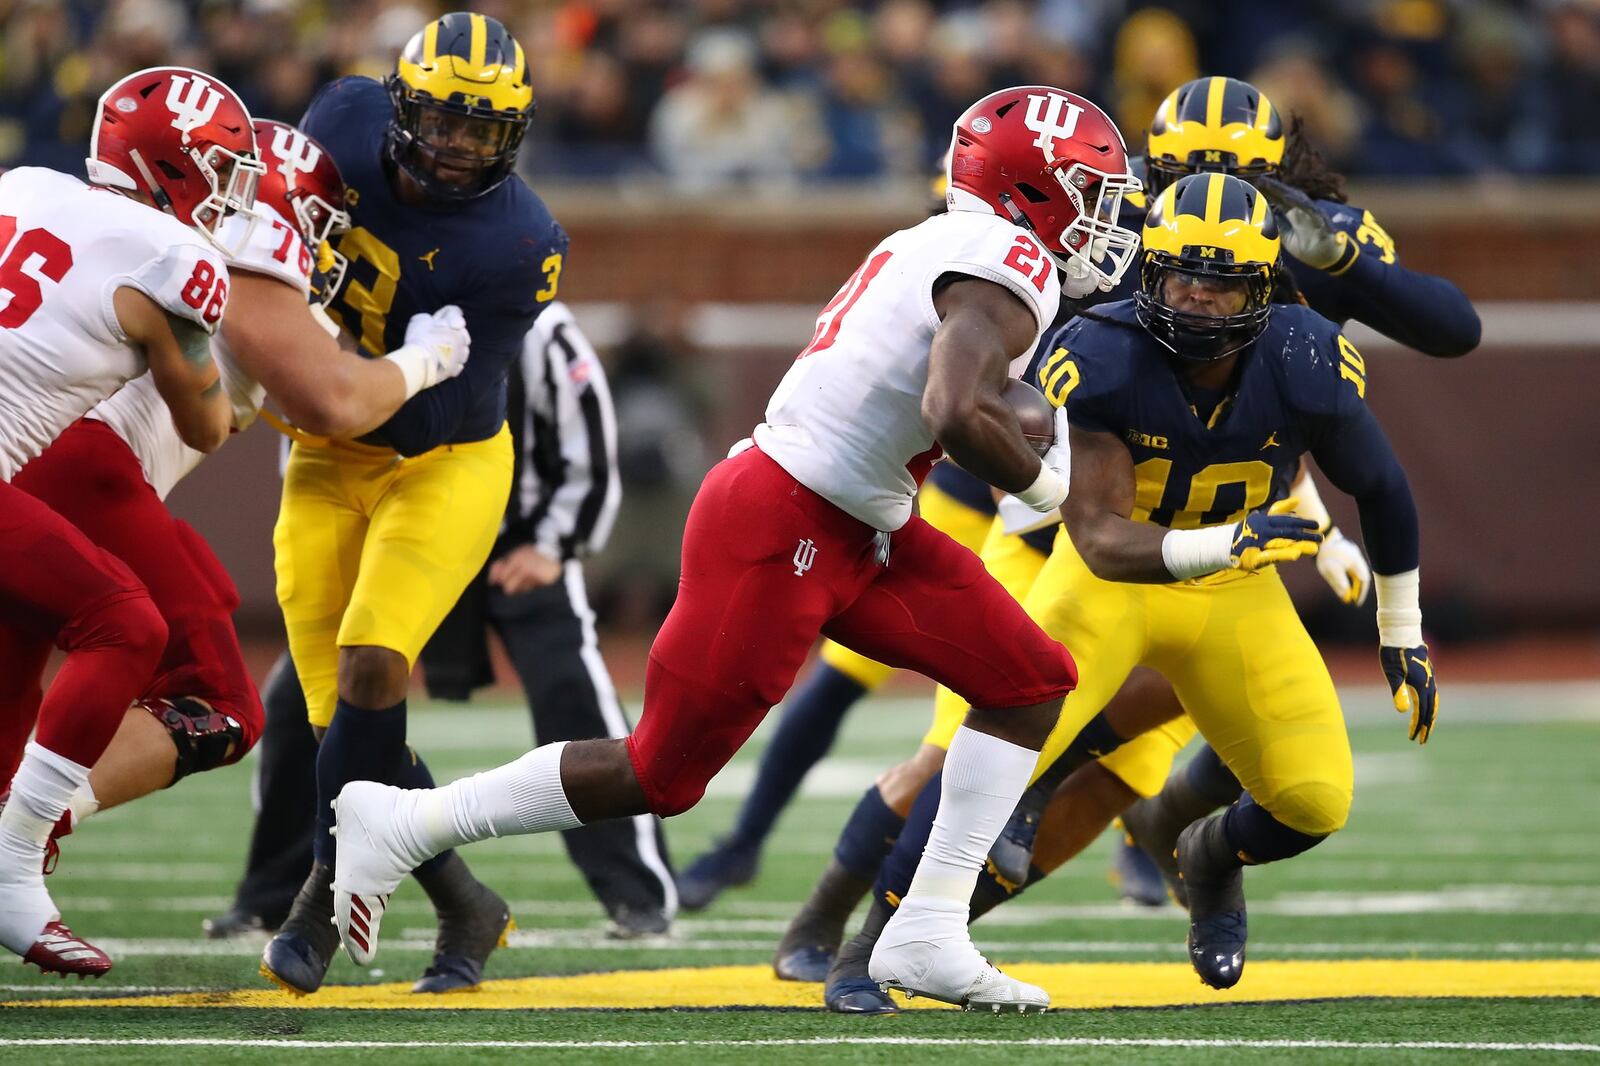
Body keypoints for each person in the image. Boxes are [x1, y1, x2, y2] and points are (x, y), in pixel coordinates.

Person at [328, 85, 1144, 1013]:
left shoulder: (937, 242)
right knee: (659, 775)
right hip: (786, 522)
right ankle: (402, 819)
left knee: (1029, 680)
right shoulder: (1005, 257)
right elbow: (954, 411)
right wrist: (1049, 491)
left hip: (857, 521)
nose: (1103, 216)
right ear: (1033, 191)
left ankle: (927, 929)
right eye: (1089, 190)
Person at [833, 172, 1440, 1008]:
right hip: (1114, 577)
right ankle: (866, 948)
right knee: (992, 749)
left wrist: (1399, 628)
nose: (1194, 302)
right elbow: (1104, 541)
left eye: (1220, 286)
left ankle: (1209, 855)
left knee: (1312, 798)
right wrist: (1235, 539)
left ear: (1263, 287)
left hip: (1234, 591)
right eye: (1180, 278)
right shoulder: (1106, 352)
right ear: (1148, 272)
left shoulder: (1304, 357)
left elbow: (1384, 490)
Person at [0, 117, 470, 877]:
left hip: (60, 466)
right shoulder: (241, 246)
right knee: (216, 699)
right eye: (316, 221)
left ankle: (15, 821)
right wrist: (429, 360)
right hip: (88, 466)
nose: (321, 245)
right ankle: (23, 827)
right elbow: (331, 401)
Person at [259, 12, 568, 996]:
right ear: (397, 106)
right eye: (442, 120)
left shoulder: (520, 243)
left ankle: (319, 884)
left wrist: (312, 355)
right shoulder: (339, 120)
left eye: (483, 130)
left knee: (373, 664)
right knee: (330, 716)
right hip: (321, 454)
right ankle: (466, 901)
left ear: (512, 135)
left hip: (439, 454)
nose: (458, 145)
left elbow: (406, 393)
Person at [208, 303, 677, 941]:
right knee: (307, 697)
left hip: (514, 544)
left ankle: (637, 891)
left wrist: (555, 544)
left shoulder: (535, 324)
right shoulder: (340, 317)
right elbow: (311, 435)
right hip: (394, 541)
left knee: (572, 688)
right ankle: (269, 892)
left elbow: (586, 436)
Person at [0, 65, 254, 975]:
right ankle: (15, 861)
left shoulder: (26, 186)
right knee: (124, 621)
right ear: (175, 167)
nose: (230, 198)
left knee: (10, 695)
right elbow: (204, 423)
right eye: (222, 172)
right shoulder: (177, 260)